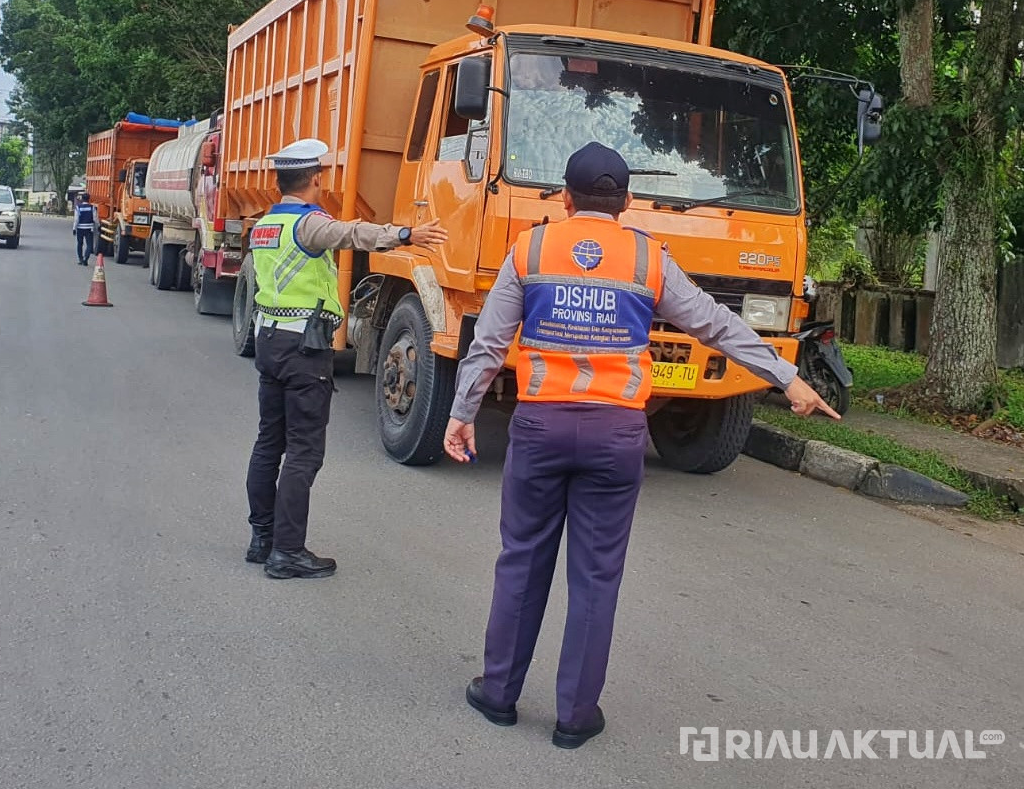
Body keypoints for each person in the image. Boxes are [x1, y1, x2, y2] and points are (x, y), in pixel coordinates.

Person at [443, 141, 838, 750]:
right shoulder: (650, 260)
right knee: (596, 578)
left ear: (567, 199)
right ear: (626, 202)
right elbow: (715, 322)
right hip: (616, 437)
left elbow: (490, 344)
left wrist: (462, 412)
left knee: (521, 561)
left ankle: (497, 694)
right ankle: (575, 717)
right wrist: (788, 379)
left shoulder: (532, 249)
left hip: (541, 429)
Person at [245, 138, 449, 579]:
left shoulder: (264, 224)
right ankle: (288, 552)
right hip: (304, 349)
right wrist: (406, 234)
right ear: (315, 179)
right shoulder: (309, 223)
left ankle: (262, 539)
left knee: (268, 444)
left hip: (269, 342)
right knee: (303, 452)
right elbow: (351, 233)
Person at [73, 192, 98, 265]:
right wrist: (98, 226)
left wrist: (74, 228)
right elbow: (95, 219)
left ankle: (80, 259)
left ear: (82, 199)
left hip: (80, 228)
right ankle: (85, 259)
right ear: (88, 199)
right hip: (89, 229)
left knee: (80, 244)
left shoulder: (78, 207)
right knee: (89, 245)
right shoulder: (92, 207)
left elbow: (76, 219)